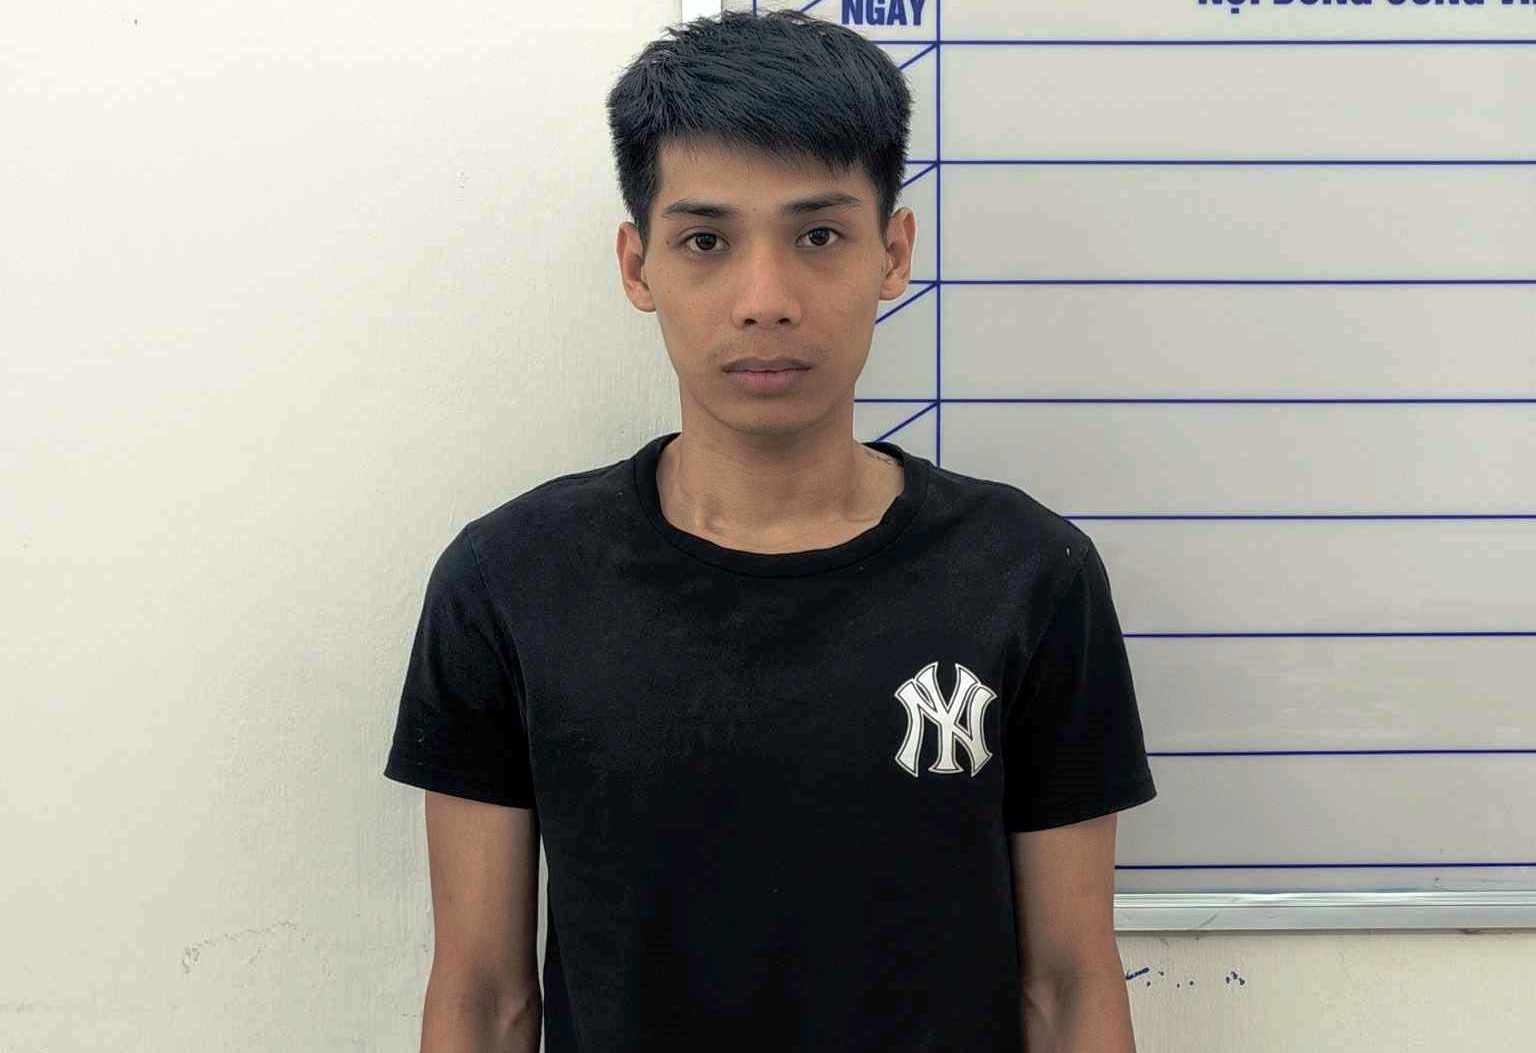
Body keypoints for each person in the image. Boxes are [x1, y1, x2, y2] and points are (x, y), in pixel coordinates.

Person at [384, 9, 1157, 1052]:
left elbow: (1067, 988)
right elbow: (484, 999)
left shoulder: (1027, 574)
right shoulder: (510, 581)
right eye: (705, 241)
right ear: (637, 265)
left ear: (893, 253)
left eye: (818, 236)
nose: (765, 299)